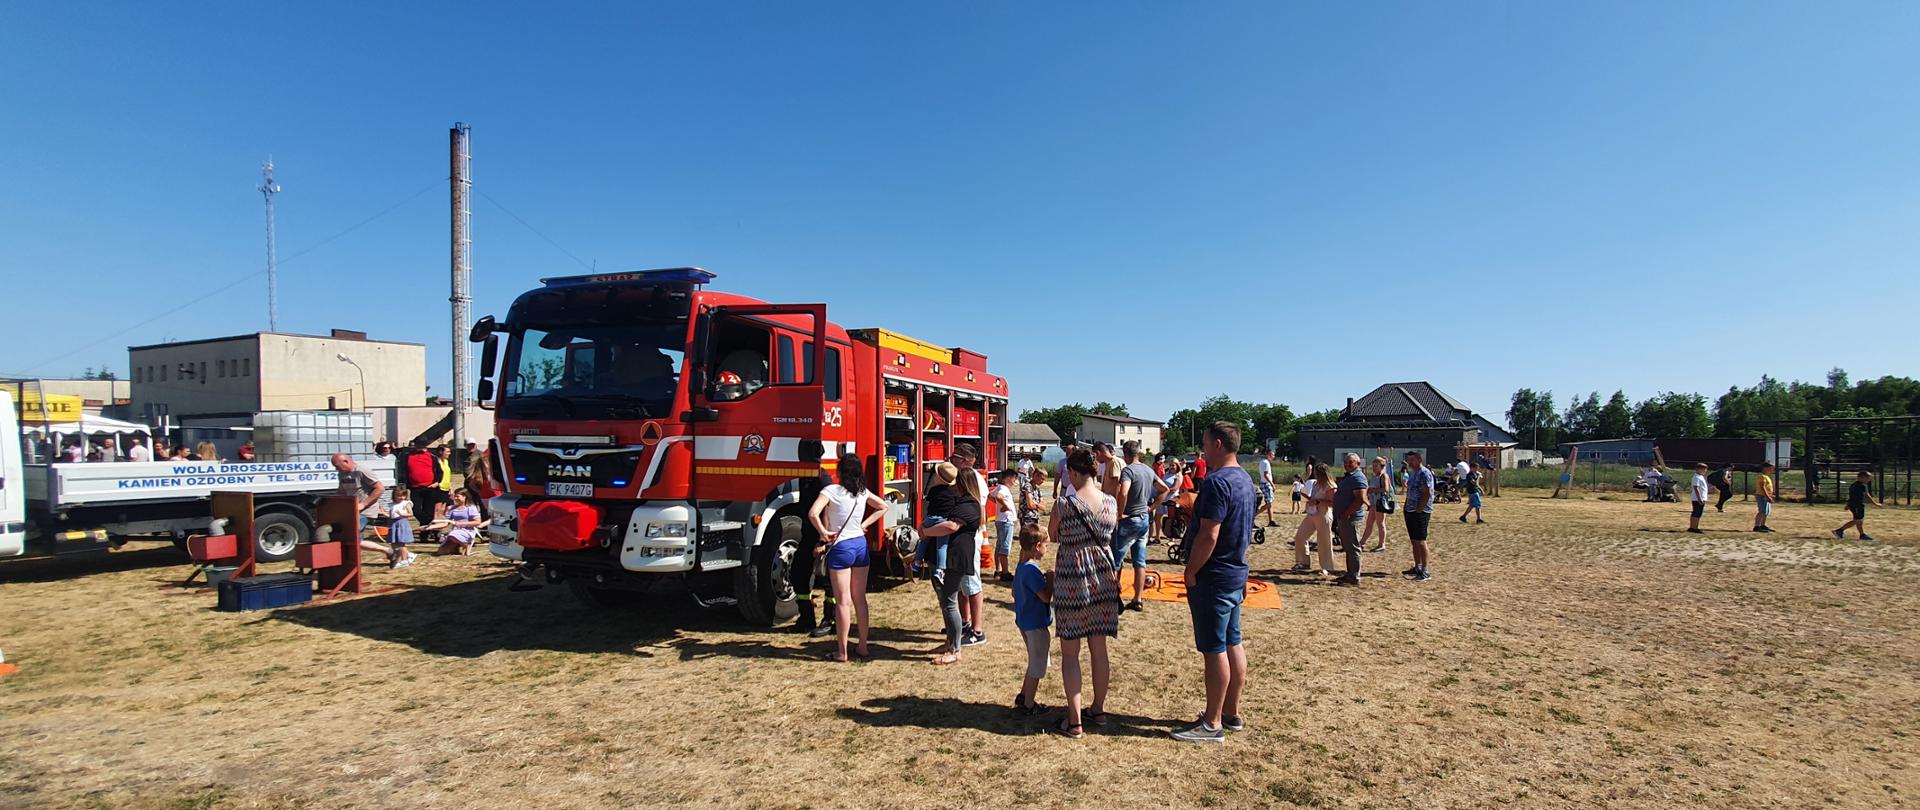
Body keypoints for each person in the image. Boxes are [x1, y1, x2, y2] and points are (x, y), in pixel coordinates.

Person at [1170, 422, 1255, 744]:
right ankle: (1229, 713)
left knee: (1214, 648)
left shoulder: (1218, 483)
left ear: (1218, 444)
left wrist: (1191, 570)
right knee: (1233, 642)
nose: (1202, 450)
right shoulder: (1245, 480)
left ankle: (1211, 723)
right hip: (1234, 572)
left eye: (1205, 444)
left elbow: (1210, 533)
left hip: (1214, 576)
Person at [1047, 448, 1120, 738]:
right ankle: (1098, 709)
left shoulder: (1064, 504)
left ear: (1075, 473)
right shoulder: (1111, 503)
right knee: (1099, 650)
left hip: (1071, 577)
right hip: (1103, 577)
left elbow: (1053, 536)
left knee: (1070, 652)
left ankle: (1075, 720)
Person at [807, 453, 888, 662]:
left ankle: (842, 652)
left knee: (843, 602)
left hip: (841, 547)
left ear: (840, 471)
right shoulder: (862, 492)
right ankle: (862, 646)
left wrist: (824, 532)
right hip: (860, 545)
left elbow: (813, 513)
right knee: (860, 599)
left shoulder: (831, 491)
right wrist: (865, 524)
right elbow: (883, 506)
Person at [921, 465, 984, 665]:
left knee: (949, 602)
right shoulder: (960, 501)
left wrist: (926, 531)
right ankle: (950, 642)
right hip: (950, 557)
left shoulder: (969, 504)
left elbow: (951, 526)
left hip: (956, 558)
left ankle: (955, 649)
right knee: (946, 601)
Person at [1113, 441, 1168, 613]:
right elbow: (1164, 489)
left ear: (1126, 454)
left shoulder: (1128, 470)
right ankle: (1138, 599)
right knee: (1139, 561)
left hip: (1129, 519)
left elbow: (1123, 491)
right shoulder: (1148, 470)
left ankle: (1114, 597)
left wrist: (1120, 513)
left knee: (1116, 560)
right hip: (1144, 520)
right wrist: (1152, 507)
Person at [792, 442, 835, 636]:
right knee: (798, 574)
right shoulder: (806, 475)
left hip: (822, 536)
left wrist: (822, 541)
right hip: (808, 535)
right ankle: (806, 618)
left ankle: (830, 620)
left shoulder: (821, 478)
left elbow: (825, 511)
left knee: (827, 579)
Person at [949, 442, 990, 645]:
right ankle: (964, 622)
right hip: (967, 537)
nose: (952, 461)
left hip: (971, 537)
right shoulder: (968, 478)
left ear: (965, 460)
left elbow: (978, 512)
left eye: (955, 458)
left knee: (972, 584)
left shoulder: (973, 480)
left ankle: (977, 630)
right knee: (963, 583)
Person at [1011, 523, 1054, 716]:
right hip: (1035, 624)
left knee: (1034, 660)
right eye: (1046, 545)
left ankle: (1023, 694)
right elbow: (1045, 596)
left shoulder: (1021, 567)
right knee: (1038, 664)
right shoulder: (1031, 570)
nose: (1047, 549)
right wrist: (1051, 580)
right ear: (1037, 546)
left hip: (1025, 621)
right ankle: (1029, 703)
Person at [1330, 453, 1369, 587]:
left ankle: (1354, 577)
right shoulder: (1350, 477)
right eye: (1346, 462)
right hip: (1344, 517)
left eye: (1350, 462)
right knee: (1348, 547)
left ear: (1358, 464)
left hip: (1351, 518)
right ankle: (1350, 573)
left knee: (1353, 548)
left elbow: (1360, 499)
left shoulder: (1358, 477)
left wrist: (1347, 513)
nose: (1347, 464)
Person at [1290, 464, 1336, 576]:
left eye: (1317, 473)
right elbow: (1314, 497)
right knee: (1300, 536)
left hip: (1324, 514)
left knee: (1324, 541)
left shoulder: (1330, 486)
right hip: (1312, 514)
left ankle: (1327, 567)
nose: (1315, 474)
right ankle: (1303, 562)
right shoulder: (1316, 484)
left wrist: (1318, 502)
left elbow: (1333, 503)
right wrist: (1308, 498)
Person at [331, 453, 385, 539]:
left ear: (346, 461)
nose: (336, 469)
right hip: (351, 510)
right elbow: (342, 492)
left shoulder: (361, 471)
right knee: (352, 538)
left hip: (364, 511)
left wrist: (363, 504)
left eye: (337, 466)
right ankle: (387, 551)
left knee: (352, 535)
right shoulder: (341, 474)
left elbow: (379, 488)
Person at [1401, 451, 1436, 581]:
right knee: (1414, 541)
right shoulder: (1413, 473)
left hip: (1421, 512)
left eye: (1412, 460)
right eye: (1408, 460)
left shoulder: (1424, 473)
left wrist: (1419, 509)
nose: (1410, 463)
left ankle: (1425, 571)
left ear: (1419, 459)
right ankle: (1417, 566)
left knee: (1421, 541)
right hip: (1410, 510)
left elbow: (1427, 493)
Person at [1832, 471, 1881, 542]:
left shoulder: (1853, 485)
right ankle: (1839, 530)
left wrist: (1848, 504)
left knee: (1859, 520)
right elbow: (1867, 496)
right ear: (1862, 477)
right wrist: (1875, 504)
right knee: (1858, 520)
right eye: (1868, 478)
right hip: (1858, 505)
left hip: (1853, 504)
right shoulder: (1862, 486)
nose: (1869, 480)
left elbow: (1851, 496)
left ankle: (1862, 535)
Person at [378, 484, 418, 568]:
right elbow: (391, 515)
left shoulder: (405, 503)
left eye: (403, 495)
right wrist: (383, 513)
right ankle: (409, 555)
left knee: (401, 543)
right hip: (393, 524)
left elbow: (411, 513)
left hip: (401, 524)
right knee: (394, 544)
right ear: (394, 495)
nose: (401, 497)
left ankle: (404, 560)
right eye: (399, 496)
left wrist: (402, 514)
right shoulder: (392, 504)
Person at [991, 469, 1020, 580]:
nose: (1014, 482)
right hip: (1006, 521)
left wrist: (999, 504)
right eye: (1014, 479)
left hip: (1000, 520)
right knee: (1005, 547)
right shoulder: (1004, 489)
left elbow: (991, 496)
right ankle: (1005, 572)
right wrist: (1005, 506)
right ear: (1008, 479)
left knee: (999, 546)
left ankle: (998, 570)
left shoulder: (999, 487)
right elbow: (998, 497)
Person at [1362, 456, 1395, 553]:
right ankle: (1362, 542)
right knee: (1369, 523)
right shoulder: (1374, 476)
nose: (1374, 468)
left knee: (1380, 523)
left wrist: (1373, 490)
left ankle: (1382, 544)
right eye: (1373, 466)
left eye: (1376, 466)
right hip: (1373, 503)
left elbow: (1385, 489)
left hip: (1380, 502)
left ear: (1381, 466)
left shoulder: (1383, 476)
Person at [437, 489, 485, 555]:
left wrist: (461, 524)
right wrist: (427, 527)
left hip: (468, 531)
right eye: (455, 496)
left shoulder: (471, 508)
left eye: (457, 496)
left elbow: (477, 522)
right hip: (456, 531)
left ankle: (465, 545)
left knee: (452, 535)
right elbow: (445, 523)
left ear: (464, 497)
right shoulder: (452, 508)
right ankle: (456, 547)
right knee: (441, 552)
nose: (455, 498)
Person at [1687, 463, 1711, 533]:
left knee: (1698, 513)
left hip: (1701, 498)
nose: (1705, 471)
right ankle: (1694, 527)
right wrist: (1699, 498)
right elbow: (1696, 488)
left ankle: (1693, 527)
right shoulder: (1696, 477)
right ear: (1698, 469)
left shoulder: (1700, 476)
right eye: (1704, 469)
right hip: (1697, 499)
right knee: (1697, 513)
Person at [1256, 447, 1277, 527]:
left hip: (1263, 483)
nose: (1273, 456)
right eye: (1272, 455)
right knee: (1269, 503)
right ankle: (1254, 514)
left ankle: (1271, 520)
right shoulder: (1266, 463)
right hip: (1266, 484)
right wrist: (1272, 484)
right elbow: (1265, 474)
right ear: (1268, 454)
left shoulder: (1262, 462)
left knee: (1269, 503)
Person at [1753, 462, 1777, 533]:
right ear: (1766, 468)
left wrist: (1771, 494)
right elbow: (1762, 487)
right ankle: (1757, 526)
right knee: (1762, 511)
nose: (1772, 470)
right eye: (1771, 468)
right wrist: (1767, 496)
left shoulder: (1767, 476)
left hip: (1766, 496)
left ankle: (1762, 525)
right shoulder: (1762, 476)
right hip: (1762, 496)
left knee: (1766, 512)